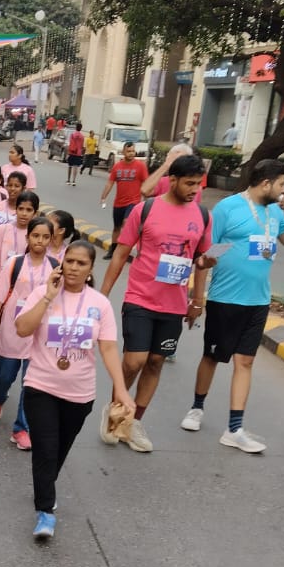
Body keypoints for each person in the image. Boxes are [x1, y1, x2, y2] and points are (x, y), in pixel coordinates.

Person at [15, 242, 135, 540]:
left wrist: (121, 390)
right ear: (61, 263)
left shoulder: (100, 304)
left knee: (58, 450)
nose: (73, 267)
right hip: (40, 386)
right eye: (69, 261)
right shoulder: (43, 293)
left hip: (79, 394)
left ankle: (46, 486)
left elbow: (108, 348)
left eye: (81, 263)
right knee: (45, 449)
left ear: (91, 269)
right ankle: (45, 512)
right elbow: (22, 329)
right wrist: (47, 296)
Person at [180, 159, 284, 452]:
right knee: (212, 356)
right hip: (225, 298)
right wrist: (198, 298)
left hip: (258, 300)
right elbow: (208, 252)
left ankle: (234, 429)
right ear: (266, 183)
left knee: (245, 361)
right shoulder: (229, 208)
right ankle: (197, 407)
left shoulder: (276, 210)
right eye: (281, 184)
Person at [100, 154, 212, 452]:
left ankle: (133, 422)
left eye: (198, 184)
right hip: (140, 297)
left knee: (155, 362)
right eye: (189, 183)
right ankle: (117, 412)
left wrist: (197, 301)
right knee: (133, 361)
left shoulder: (203, 215)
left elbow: (201, 261)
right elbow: (121, 254)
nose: (194, 189)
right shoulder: (145, 209)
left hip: (174, 305)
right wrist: (102, 295)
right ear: (172, 180)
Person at [0, 216, 60, 449]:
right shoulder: (14, 263)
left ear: (51, 239)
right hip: (12, 331)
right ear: (27, 237)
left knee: (31, 384)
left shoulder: (55, 267)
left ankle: (21, 428)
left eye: (45, 237)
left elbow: (59, 303)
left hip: (40, 334)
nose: (40, 241)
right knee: (5, 377)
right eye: (35, 235)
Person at [98, 141, 149, 260]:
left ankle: (124, 249)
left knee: (126, 223)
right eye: (129, 151)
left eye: (133, 151)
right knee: (116, 227)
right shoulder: (117, 166)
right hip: (119, 202)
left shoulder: (140, 166)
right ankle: (113, 250)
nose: (131, 153)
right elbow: (110, 182)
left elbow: (146, 183)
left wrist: (146, 200)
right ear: (123, 152)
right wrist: (104, 196)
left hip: (133, 202)